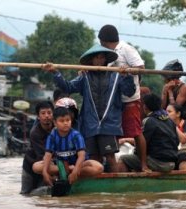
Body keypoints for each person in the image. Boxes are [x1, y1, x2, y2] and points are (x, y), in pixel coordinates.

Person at [45, 44, 136, 172]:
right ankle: (98, 187)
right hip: (90, 124)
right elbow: (68, 87)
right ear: (91, 60)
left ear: (105, 60)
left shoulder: (116, 76)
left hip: (109, 124)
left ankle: (116, 186)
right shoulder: (84, 77)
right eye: (97, 58)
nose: (99, 61)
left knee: (110, 157)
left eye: (102, 58)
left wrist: (127, 76)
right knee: (94, 158)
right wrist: (55, 73)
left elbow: (129, 92)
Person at [98, 24, 148, 172]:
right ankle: (114, 165)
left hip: (130, 98)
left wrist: (127, 71)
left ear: (103, 40)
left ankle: (143, 164)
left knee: (136, 131)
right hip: (114, 99)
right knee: (113, 131)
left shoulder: (126, 49)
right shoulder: (106, 53)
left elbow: (141, 67)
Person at [32, 107, 104, 186]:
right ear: (55, 123)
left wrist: (75, 171)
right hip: (60, 165)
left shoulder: (76, 135)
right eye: (62, 121)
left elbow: (82, 156)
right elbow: (48, 155)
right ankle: (65, 170)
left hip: (79, 164)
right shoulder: (52, 136)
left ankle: (69, 171)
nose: (66, 123)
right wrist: (45, 172)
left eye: (68, 120)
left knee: (98, 167)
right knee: (36, 166)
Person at [118, 93, 178, 172]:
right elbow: (176, 141)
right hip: (172, 163)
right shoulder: (169, 120)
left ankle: (125, 184)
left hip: (158, 163)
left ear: (145, 106)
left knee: (123, 159)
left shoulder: (148, 120)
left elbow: (141, 143)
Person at [20, 100, 54, 194]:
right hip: (31, 164)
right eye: (43, 113)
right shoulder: (35, 133)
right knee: (25, 193)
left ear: (53, 114)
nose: (47, 116)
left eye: (49, 113)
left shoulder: (58, 128)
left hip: (48, 163)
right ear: (38, 117)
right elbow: (42, 155)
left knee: (45, 190)